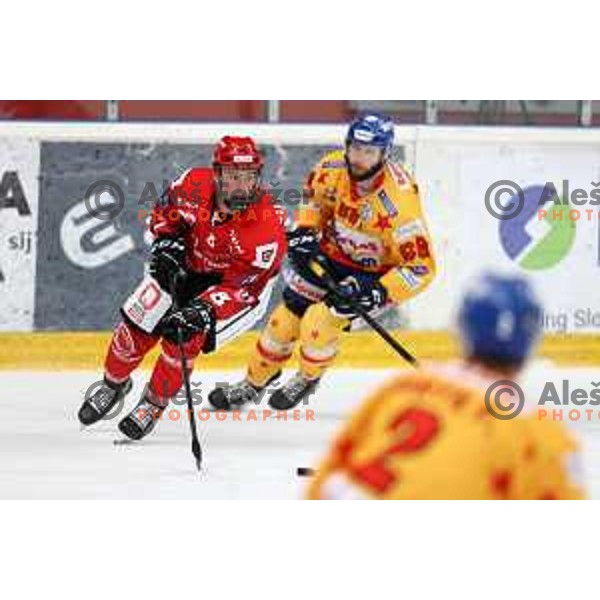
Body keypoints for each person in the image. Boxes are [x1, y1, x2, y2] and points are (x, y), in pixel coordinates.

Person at [208, 113, 436, 411]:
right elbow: (314, 201)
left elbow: (422, 268)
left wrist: (378, 292)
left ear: (385, 153)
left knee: (319, 322)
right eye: (355, 148)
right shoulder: (330, 168)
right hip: (331, 256)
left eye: (369, 152)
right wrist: (305, 231)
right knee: (282, 322)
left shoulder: (401, 205)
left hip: (374, 275)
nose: (359, 158)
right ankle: (252, 385)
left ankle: (307, 377)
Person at [77, 136, 287, 440]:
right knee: (135, 326)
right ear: (217, 174)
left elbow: (244, 289)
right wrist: (167, 241)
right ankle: (113, 385)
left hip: (233, 290)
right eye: (233, 176)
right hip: (187, 265)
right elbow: (166, 210)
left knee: (182, 338)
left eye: (249, 176)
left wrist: (204, 309)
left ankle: (152, 404)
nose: (242, 185)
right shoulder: (192, 183)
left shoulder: (266, 228)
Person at [306, 273, 584, 499]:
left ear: (461, 327)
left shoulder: (402, 387)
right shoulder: (539, 431)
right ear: (533, 338)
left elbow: (328, 475)